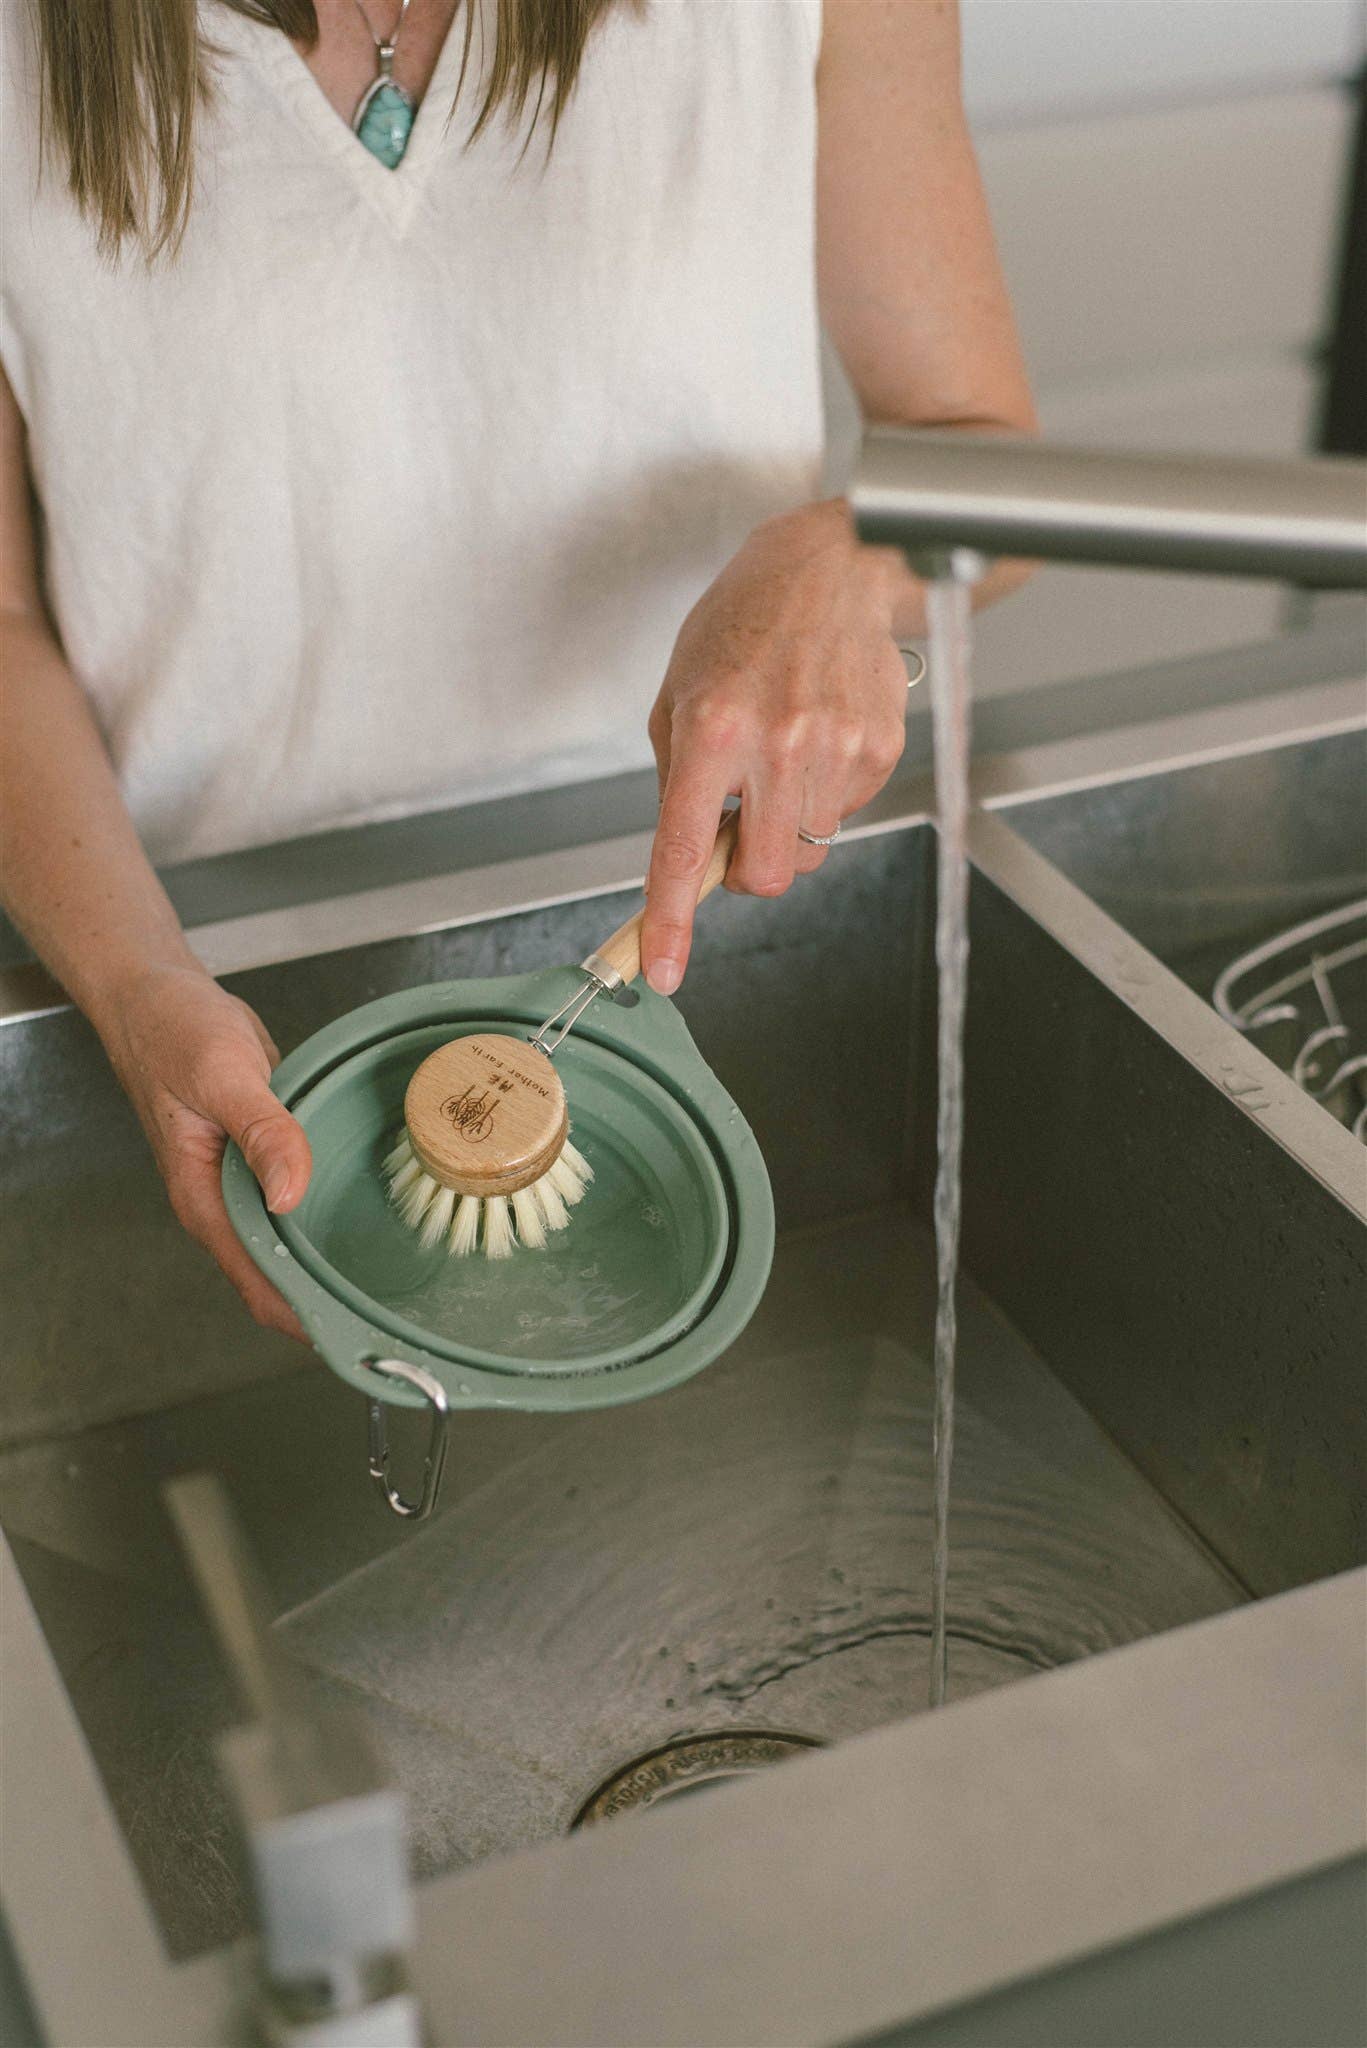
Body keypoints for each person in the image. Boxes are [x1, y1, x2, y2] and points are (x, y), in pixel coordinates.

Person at [0, 0, 1034, 1337]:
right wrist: (141, 989)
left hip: (729, 916)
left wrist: (847, 557)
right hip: (189, 963)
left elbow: (988, 460)